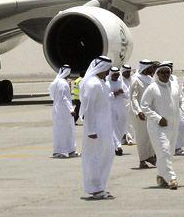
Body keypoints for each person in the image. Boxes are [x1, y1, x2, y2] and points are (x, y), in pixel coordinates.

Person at [140, 62, 184, 189]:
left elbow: (182, 100)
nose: (166, 75)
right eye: (163, 72)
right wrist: (158, 118)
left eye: (168, 72)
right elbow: (144, 106)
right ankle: (171, 178)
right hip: (158, 127)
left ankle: (162, 176)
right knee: (164, 151)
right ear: (158, 73)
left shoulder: (175, 86)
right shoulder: (152, 88)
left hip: (173, 126)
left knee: (168, 152)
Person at [79, 56, 116, 199]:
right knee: (94, 157)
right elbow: (88, 109)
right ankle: (95, 188)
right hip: (95, 129)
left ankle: (100, 185)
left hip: (105, 126)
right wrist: (91, 130)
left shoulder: (101, 83)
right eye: (106, 70)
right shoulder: (92, 84)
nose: (107, 73)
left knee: (107, 155)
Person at [129, 60, 158, 169]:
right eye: (150, 67)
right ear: (145, 68)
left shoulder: (150, 79)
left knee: (150, 135)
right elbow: (134, 98)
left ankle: (150, 156)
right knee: (142, 137)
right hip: (140, 113)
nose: (152, 69)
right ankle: (142, 160)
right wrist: (138, 111)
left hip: (150, 112)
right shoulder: (136, 79)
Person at [48, 65, 77, 158]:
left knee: (68, 130)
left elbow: (52, 94)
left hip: (61, 109)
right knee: (61, 130)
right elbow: (64, 97)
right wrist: (71, 109)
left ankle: (70, 150)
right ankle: (59, 151)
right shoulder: (62, 83)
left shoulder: (57, 82)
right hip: (63, 110)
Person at [107, 67, 130, 156]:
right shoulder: (107, 84)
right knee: (113, 127)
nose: (116, 76)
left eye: (117, 74)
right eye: (114, 74)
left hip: (121, 108)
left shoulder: (121, 83)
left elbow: (127, 95)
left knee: (122, 126)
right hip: (110, 108)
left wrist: (122, 92)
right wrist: (114, 94)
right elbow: (105, 97)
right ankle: (118, 146)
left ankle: (116, 144)